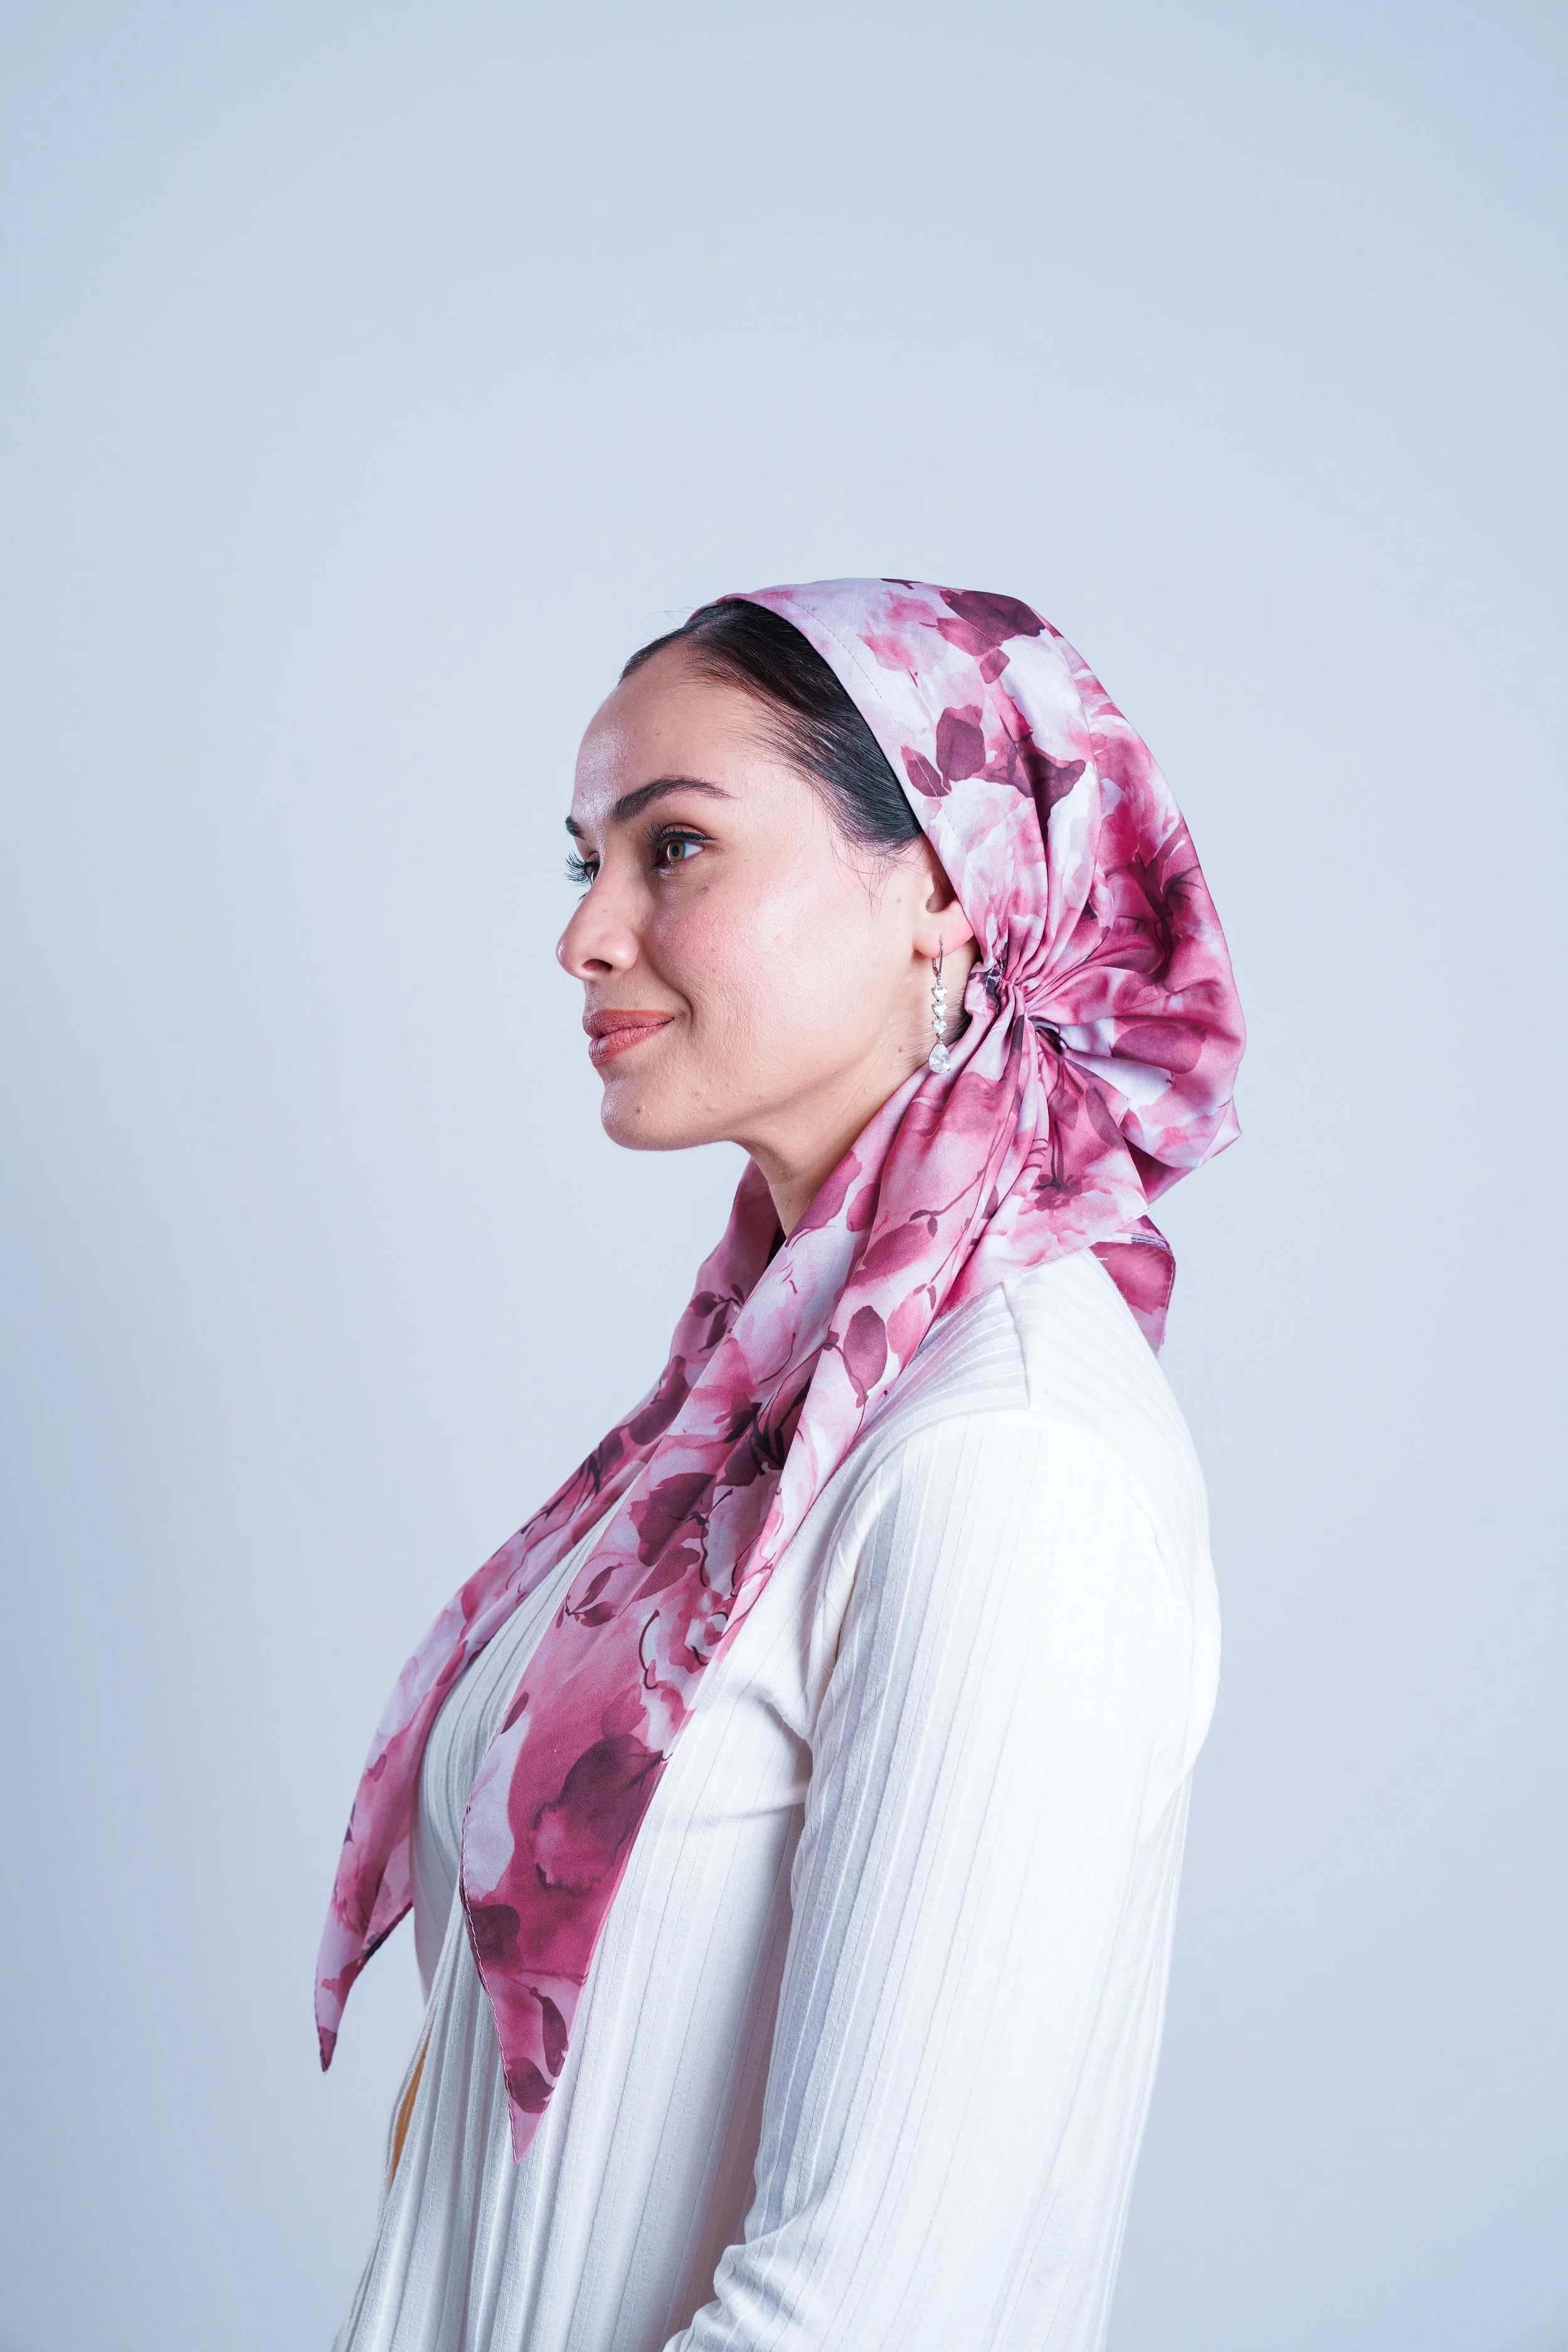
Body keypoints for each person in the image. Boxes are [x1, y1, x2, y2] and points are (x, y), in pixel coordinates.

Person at [317, 578, 1246, 2352]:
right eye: (581, 857)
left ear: (944, 886)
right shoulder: (745, 1422)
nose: (585, 933)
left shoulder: (1003, 1455)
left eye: (673, 847)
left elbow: (854, 2316)